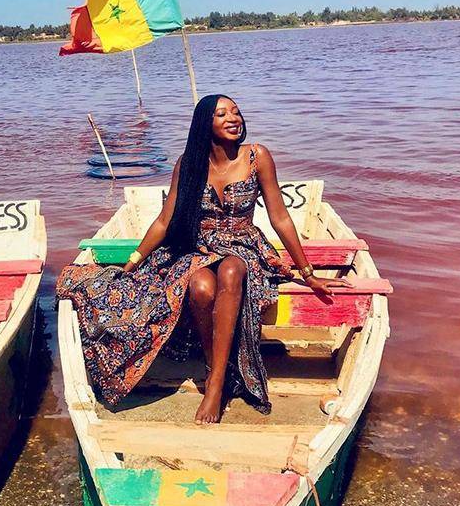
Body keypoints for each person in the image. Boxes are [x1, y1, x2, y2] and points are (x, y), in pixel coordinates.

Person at [56, 94, 352, 423]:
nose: (233, 119)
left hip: (245, 247)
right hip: (200, 248)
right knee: (199, 286)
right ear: (204, 124)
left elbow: (280, 217)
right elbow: (165, 221)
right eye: (222, 114)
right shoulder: (189, 165)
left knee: (229, 273)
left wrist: (308, 273)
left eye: (237, 112)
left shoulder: (257, 156)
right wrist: (134, 262)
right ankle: (215, 366)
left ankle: (216, 386)